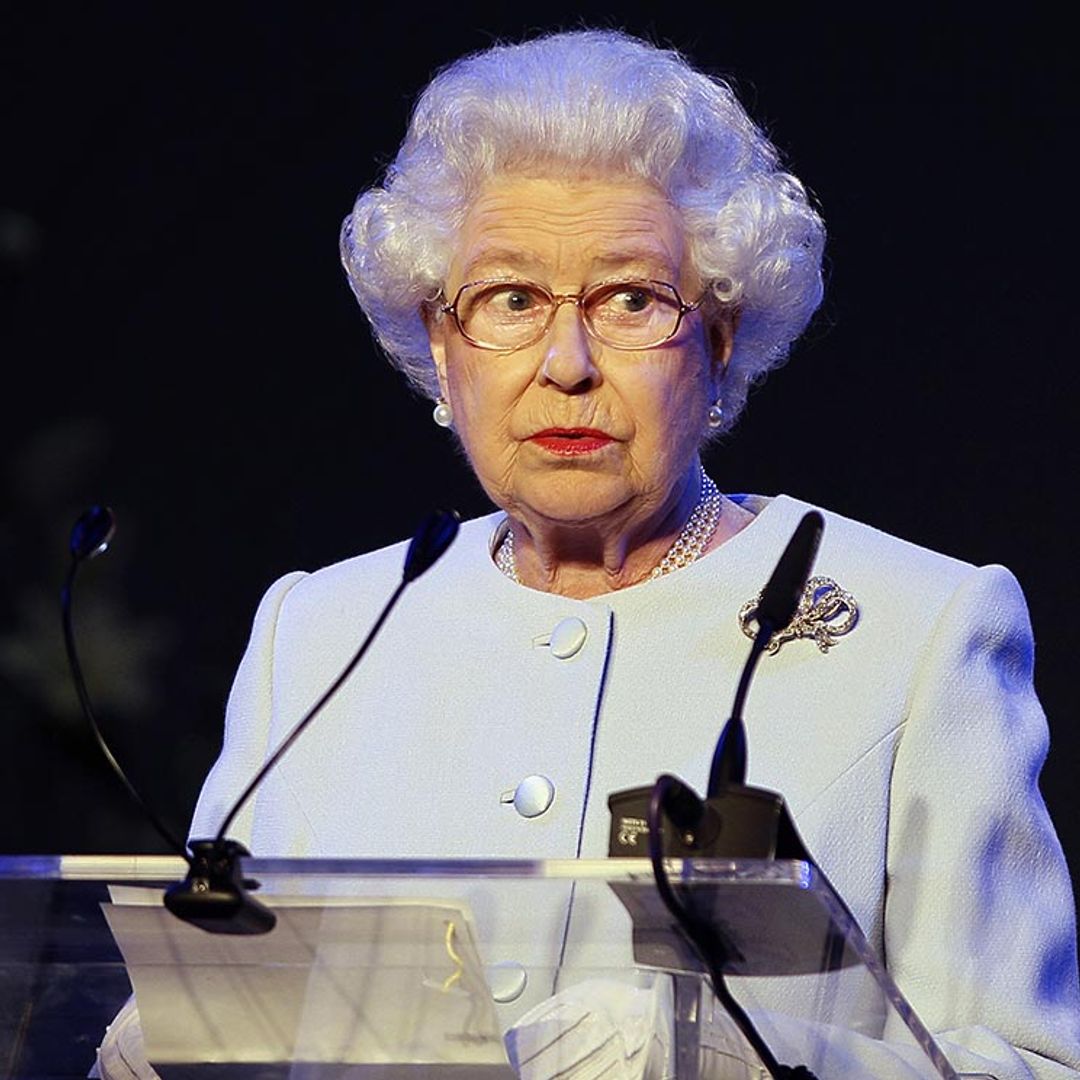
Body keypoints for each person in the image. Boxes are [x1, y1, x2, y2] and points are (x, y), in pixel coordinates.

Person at [101, 28, 1079, 1080]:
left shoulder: (920, 630)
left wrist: (725, 1062)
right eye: (511, 300)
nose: (566, 365)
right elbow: (228, 1007)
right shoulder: (319, 632)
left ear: (716, 338)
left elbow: (1032, 1063)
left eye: (628, 300)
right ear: (440, 342)